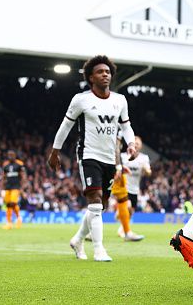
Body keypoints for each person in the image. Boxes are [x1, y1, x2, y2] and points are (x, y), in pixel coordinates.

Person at [48, 55, 137, 261]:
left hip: (110, 159)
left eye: (107, 72)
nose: (105, 75)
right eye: (100, 72)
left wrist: (131, 144)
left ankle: (77, 239)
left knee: (101, 205)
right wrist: (55, 151)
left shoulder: (119, 100)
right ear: (90, 77)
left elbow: (126, 126)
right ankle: (99, 249)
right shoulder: (81, 100)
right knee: (95, 202)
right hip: (88, 155)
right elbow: (66, 126)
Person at [112, 135, 150, 241]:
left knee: (131, 212)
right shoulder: (123, 156)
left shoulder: (144, 158)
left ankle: (122, 227)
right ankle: (121, 218)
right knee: (127, 206)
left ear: (141, 146)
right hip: (124, 187)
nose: (136, 145)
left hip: (135, 189)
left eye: (138, 143)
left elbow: (148, 171)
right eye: (134, 143)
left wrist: (147, 171)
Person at [1, 150, 26, 230]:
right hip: (8, 187)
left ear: (15, 155)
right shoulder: (5, 165)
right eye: (9, 155)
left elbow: (23, 176)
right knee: (8, 204)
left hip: (16, 186)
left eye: (12, 155)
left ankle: (14, 220)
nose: (10, 157)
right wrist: (2, 187)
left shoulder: (19, 164)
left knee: (12, 203)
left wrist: (22, 188)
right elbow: (4, 177)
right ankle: (12, 222)